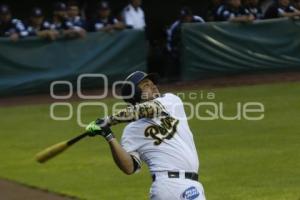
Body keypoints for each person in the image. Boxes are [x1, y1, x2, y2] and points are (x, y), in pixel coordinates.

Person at [86, 71, 206, 200]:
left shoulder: (170, 101)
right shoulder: (131, 131)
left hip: (190, 185)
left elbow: (146, 109)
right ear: (135, 94)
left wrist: (109, 120)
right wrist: (108, 135)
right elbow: (129, 167)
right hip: (170, 185)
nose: (153, 86)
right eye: (146, 85)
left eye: (152, 83)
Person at [166, 7, 204, 80]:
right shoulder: (175, 26)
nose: (186, 19)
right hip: (183, 51)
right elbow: (169, 42)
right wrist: (173, 51)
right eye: (184, 18)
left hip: (198, 47)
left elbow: (206, 32)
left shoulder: (198, 20)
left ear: (191, 16)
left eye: (188, 16)